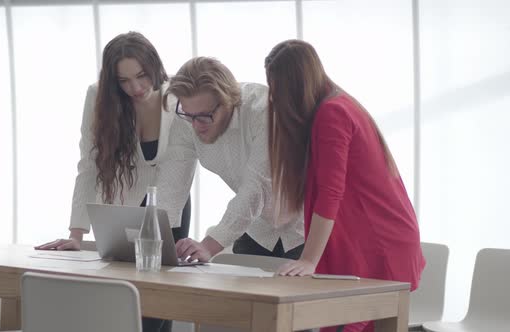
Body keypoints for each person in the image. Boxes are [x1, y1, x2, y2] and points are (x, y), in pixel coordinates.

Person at [264, 39, 425, 332]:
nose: (275, 101)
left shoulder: (332, 113)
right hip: (378, 237)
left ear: (296, 87)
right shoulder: (340, 104)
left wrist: (309, 259)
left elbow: (330, 192)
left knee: (347, 323)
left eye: (278, 91)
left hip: (378, 242)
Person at [36, 31, 190, 332]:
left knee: (160, 299)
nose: (135, 87)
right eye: (124, 81)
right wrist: (77, 232)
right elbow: (88, 164)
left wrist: (165, 233)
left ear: (154, 65)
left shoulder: (178, 94)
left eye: (142, 75)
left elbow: (186, 160)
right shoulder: (99, 96)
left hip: (171, 201)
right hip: (125, 201)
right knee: (126, 302)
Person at [155, 57, 304, 263]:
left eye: (205, 116)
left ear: (228, 101)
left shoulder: (265, 111)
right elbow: (171, 186)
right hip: (258, 230)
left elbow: (256, 189)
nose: (196, 125)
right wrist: (155, 244)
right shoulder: (187, 118)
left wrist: (208, 246)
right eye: (189, 115)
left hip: (305, 230)